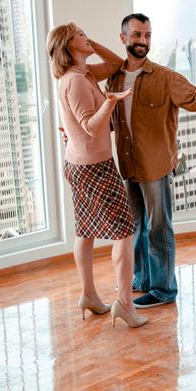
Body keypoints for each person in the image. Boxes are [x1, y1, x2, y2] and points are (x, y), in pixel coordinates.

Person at [106, 13, 196, 309]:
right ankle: (142, 279)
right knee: (136, 227)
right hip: (129, 166)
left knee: (158, 228)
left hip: (156, 167)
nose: (143, 41)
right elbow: (112, 121)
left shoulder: (165, 78)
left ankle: (164, 288)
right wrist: (80, 130)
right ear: (123, 38)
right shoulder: (114, 78)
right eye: (137, 35)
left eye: (147, 35)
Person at [47, 22, 147, 328]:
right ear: (68, 44)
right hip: (93, 167)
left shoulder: (84, 73)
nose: (85, 35)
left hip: (82, 165)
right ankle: (126, 305)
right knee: (125, 232)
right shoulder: (74, 82)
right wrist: (111, 102)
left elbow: (118, 63)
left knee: (85, 230)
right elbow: (90, 126)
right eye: (79, 33)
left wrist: (90, 45)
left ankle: (89, 295)